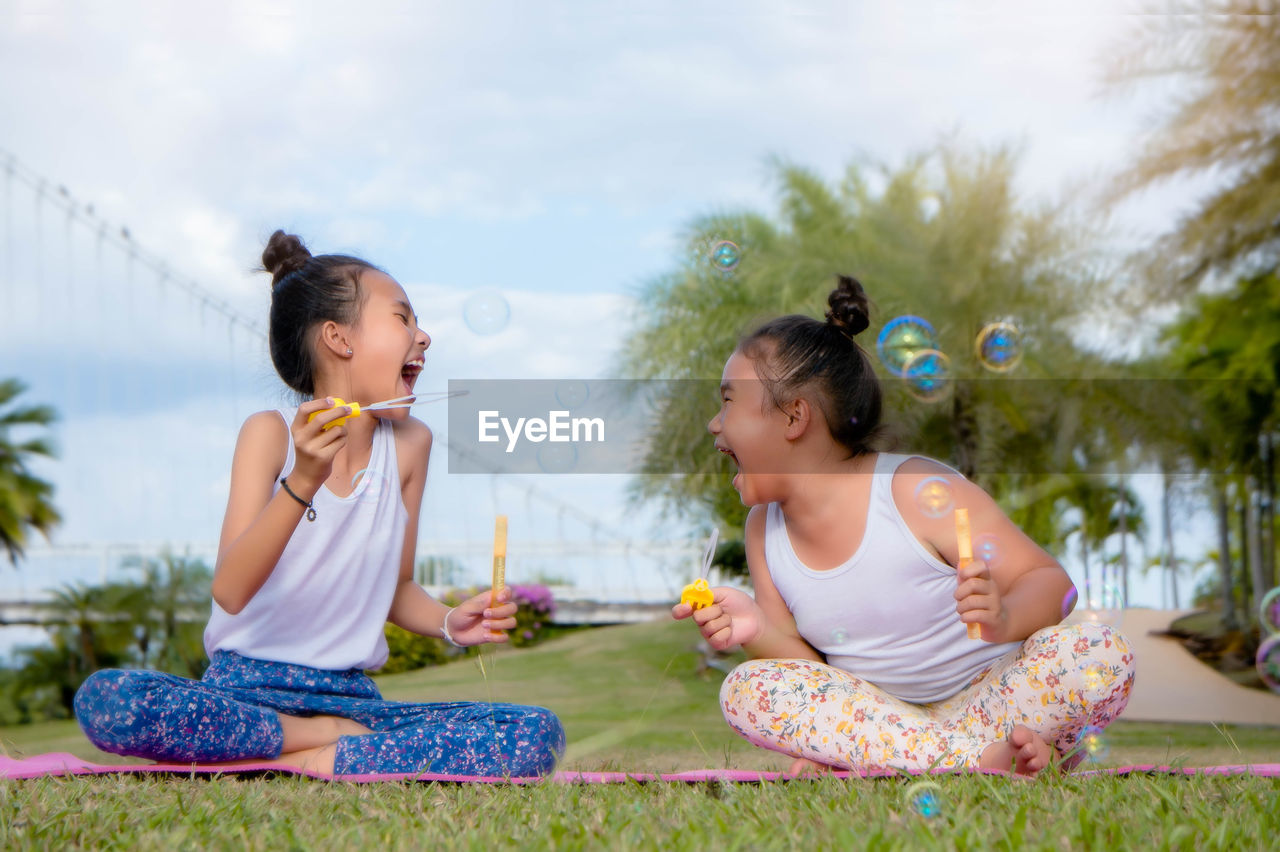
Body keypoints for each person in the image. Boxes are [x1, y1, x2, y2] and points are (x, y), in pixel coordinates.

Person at [74, 230, 564, 777]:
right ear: (338, 337)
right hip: (244, 692)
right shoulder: (270, 436)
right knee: (112, 700)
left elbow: (395, 588)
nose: (423, 336)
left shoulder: (409, 445)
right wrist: (304, 479)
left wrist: (451, 621)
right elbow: (231, 591)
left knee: (533, 733)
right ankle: (324, 746)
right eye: (402, 318)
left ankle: (290, 756)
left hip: (354, 701)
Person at [673, 275, 1134, 776]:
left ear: (793, 418)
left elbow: (1050, 582)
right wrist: (755, 627)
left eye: (727, 402)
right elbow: (808, 670)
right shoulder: (765, 528)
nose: (715, 424)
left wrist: (1004, 618)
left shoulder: (914, 492)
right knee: (748, 690)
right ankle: (979, 760)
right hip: (881, 718)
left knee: (1098, 652)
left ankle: (920, 759)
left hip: (993, 701)